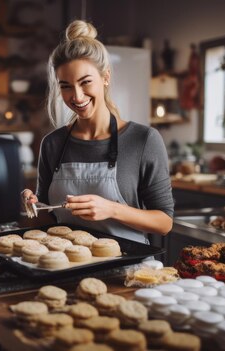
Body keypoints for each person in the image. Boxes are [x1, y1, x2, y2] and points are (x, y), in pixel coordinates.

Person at [21, 20, 174, 243]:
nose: (77, 96)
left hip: (129, 273)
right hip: (67, 269)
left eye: (85, 82)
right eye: (65, 86)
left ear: (105, 77)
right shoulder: (52, 143)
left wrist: (112, 209)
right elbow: (46, 222)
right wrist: (32, 207)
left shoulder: (143, 140)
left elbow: (164, 223)